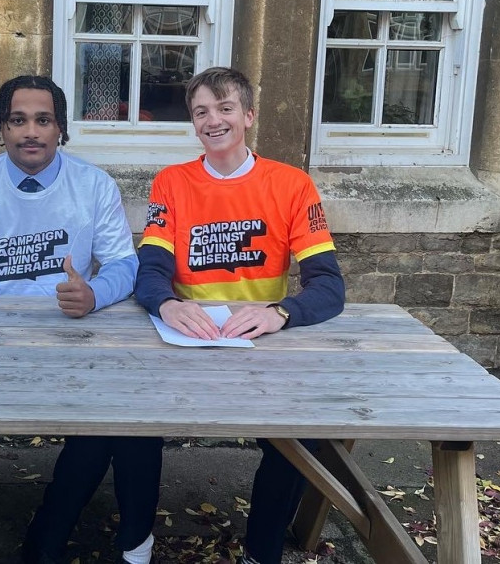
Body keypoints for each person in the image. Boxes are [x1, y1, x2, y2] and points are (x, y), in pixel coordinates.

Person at [0, 75, 162, 564]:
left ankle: (46, 537)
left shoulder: (93, 185)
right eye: (17, 120)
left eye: (43, 120)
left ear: (61, 128)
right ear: (0, 128)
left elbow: (125, 265)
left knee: (105, 427)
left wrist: (93, 294)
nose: (31, 132)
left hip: (70, 336)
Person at [134, 67, 345, 564]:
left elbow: (329, 287)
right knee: (132, 426)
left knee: (302, 437)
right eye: (201, 111)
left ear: (248, 116)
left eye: (225, 108)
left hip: (258, 345)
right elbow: (149, 272)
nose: (213, 120)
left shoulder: (292, 185)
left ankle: (262, 551)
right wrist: (167, 303)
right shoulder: (171, 182)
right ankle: (136, 542)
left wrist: (281, 313)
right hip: (186, 340)